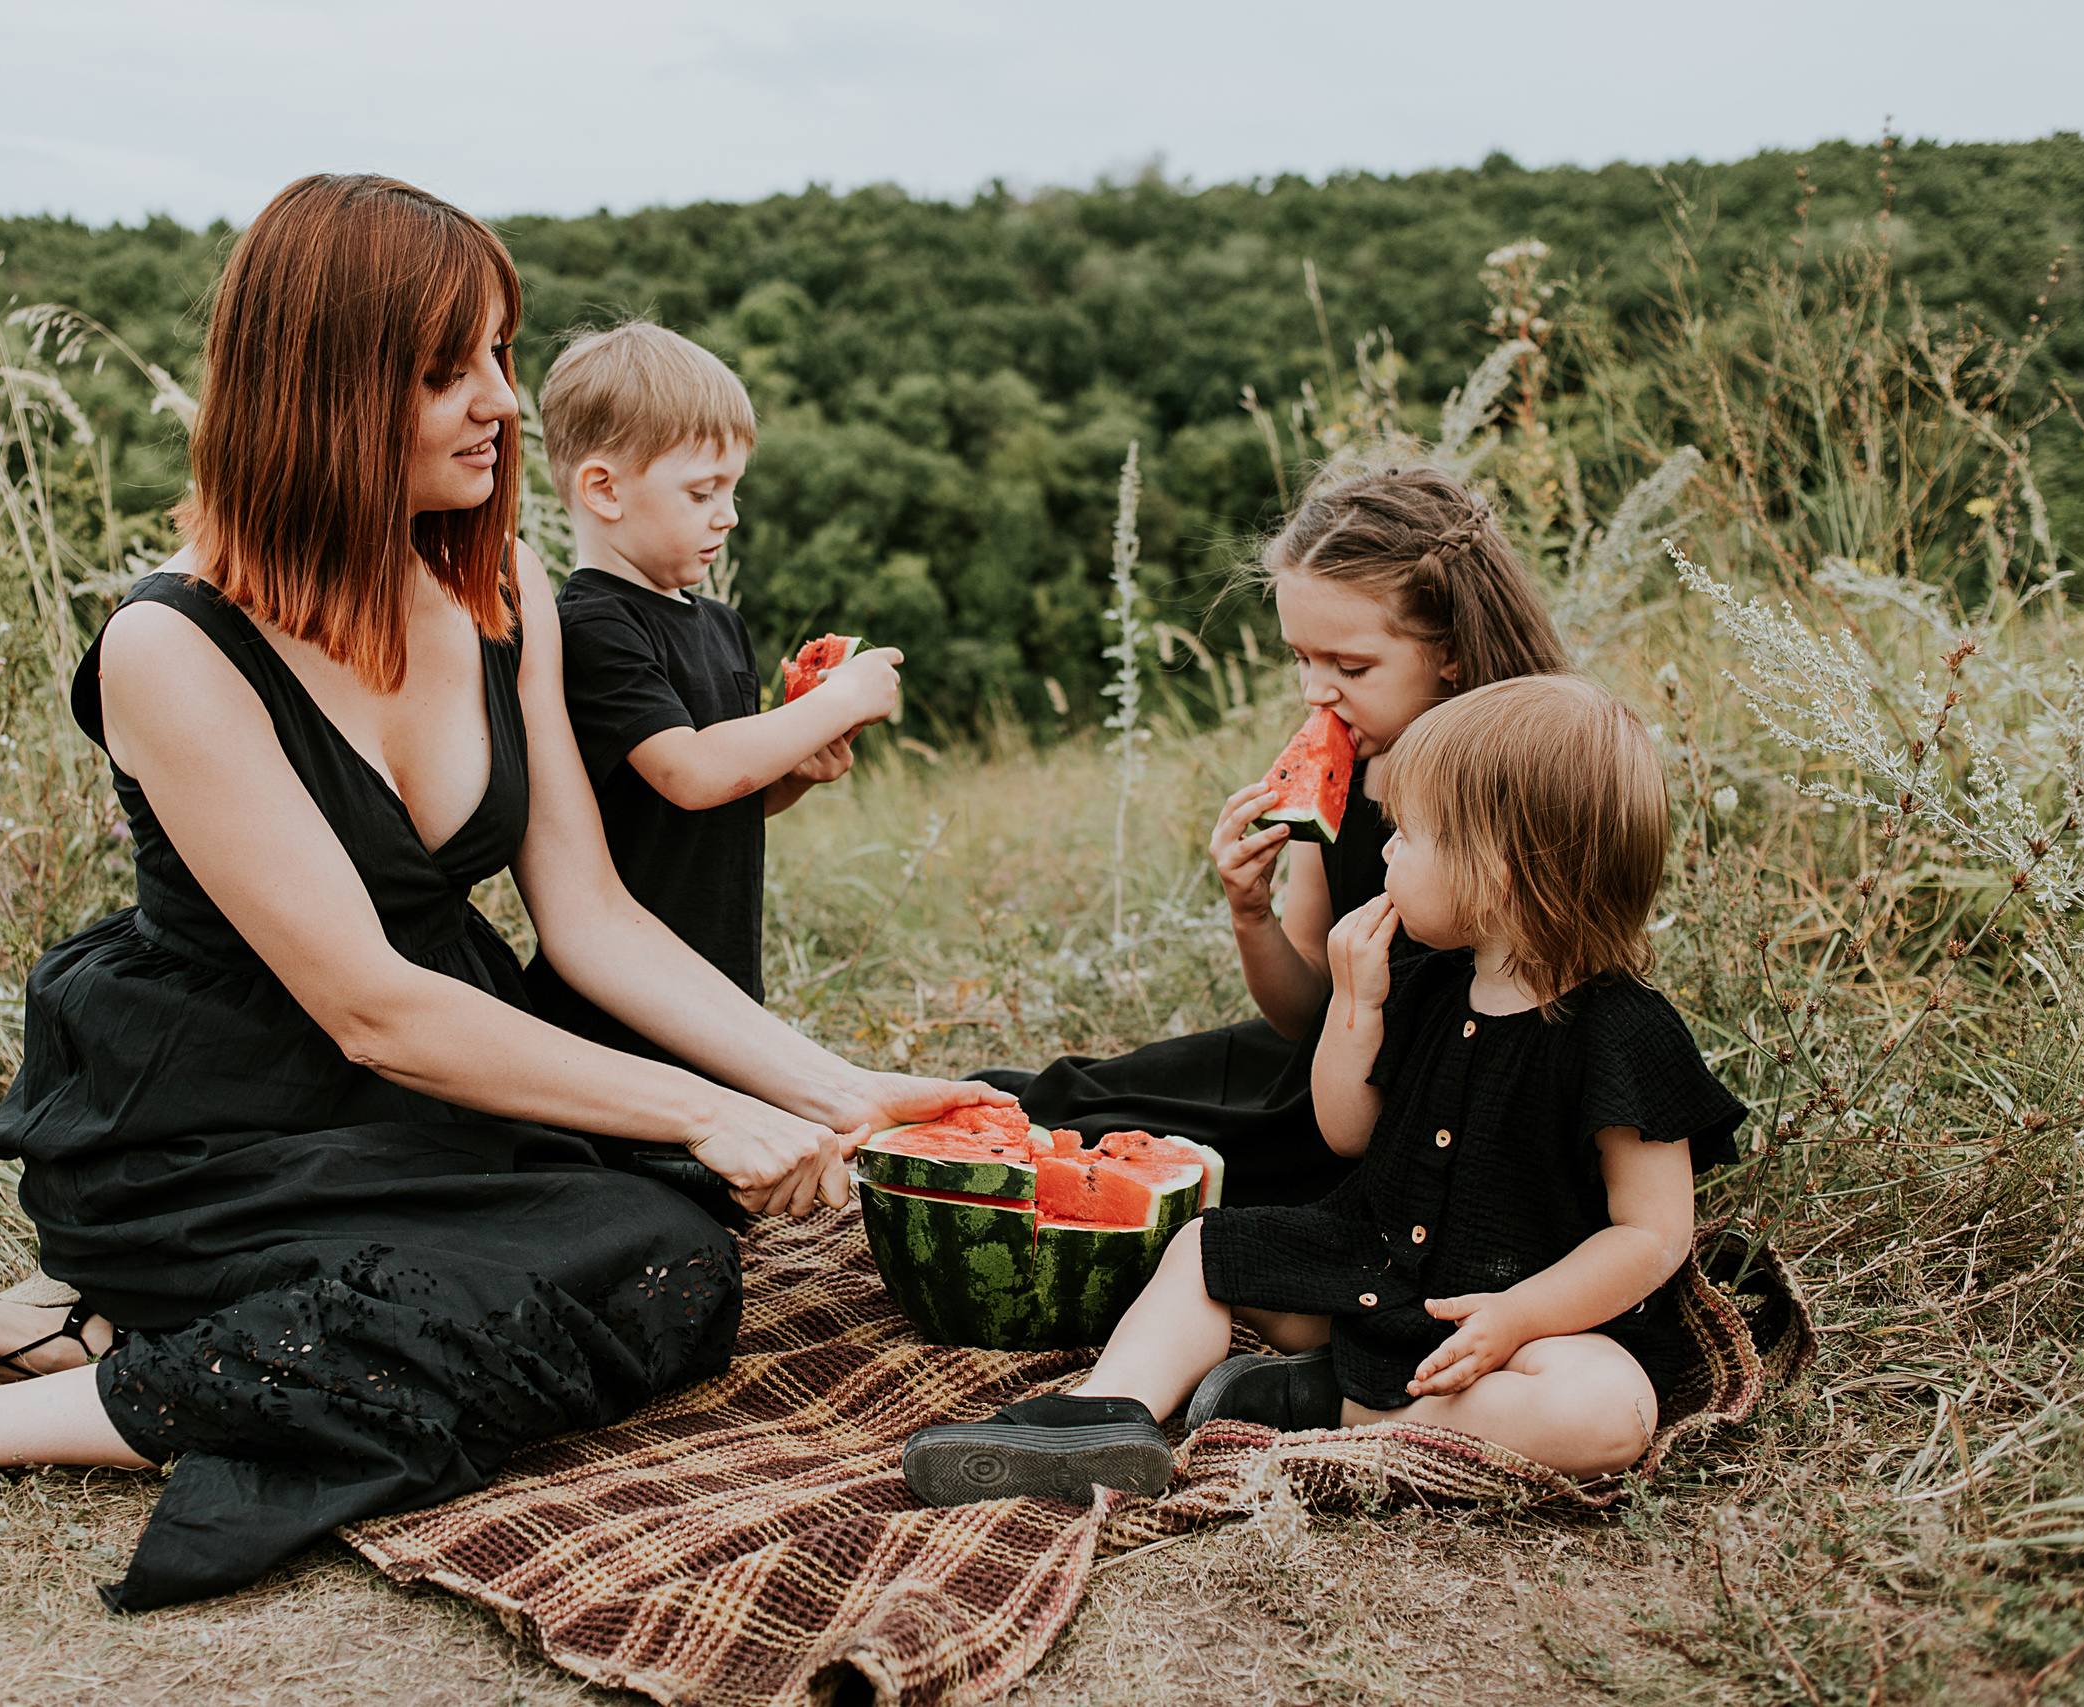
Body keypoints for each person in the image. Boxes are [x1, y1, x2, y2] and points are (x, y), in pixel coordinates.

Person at [0, 174, 1002, 1613]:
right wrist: (709, 1105)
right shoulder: (172, 640)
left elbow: (590, 917)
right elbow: (372, 1002)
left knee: (667, 1240)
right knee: (633, 1252)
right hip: (216, 1112)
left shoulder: (504, 590)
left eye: (502, 357)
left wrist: (843, 1089)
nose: (503, 405)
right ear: (325, 384)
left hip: (424, 1091)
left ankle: (71, 1331)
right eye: (451, 369)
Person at [903, 675, 1746, 1502]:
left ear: (1497, 867)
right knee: (1205, 1249)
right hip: (1373, 1274)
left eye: (1408, 834)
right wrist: (1355, 1003)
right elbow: (1348, 1131)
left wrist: (1519, 1316)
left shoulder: (1624, 1033)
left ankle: (1325, 1405)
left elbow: (1651, 1234)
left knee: (1609, 1412)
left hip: (1536, 1328)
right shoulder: (1425, 980)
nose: (1383, 851)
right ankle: (1105, 1412)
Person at [971, 461, 1570, 1207]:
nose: (1315, 691)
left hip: (1392, 1113)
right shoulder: (1345, 773)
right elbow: (1298, 1016)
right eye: (1300, 658)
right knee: (1053, 1098)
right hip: (1306, 1064)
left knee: (1143, 1163)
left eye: (1350, 665)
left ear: (1450, 651)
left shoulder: (1526, 791)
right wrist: (1249, 911)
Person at [518, 321, 899, 1071]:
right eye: (702, 492)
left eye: (732, 489)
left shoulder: (722, 626)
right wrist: (834, 701)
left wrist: (792, 770)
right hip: (616, 1008)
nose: (728, 515)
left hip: (717, 989)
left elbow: (726, 799)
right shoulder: (593, 625)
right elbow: (689, 775)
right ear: (604, 489)